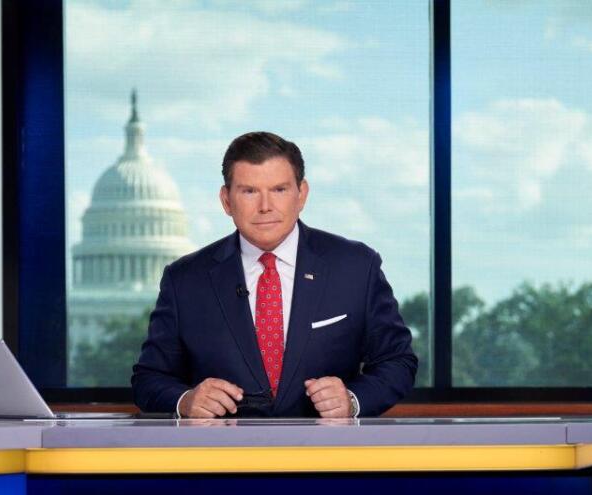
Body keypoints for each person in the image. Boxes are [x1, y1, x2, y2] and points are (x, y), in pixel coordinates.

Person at [132, 132, 417, 418]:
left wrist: (352, 401)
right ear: (226, 200)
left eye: (279, 190)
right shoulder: (185, 279)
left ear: (301, 194)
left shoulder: (355, 266)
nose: (265, 206)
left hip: (327, 455)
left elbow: (397, 361)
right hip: (222, 456)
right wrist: (186, 401)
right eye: (249, 191)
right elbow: (148, 379)